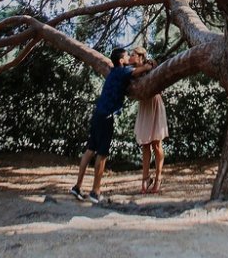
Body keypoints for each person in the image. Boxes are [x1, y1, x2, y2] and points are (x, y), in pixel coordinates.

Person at [70, 47, 147, 204]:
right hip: (106, 117)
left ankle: (77, 187)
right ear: (121, 61)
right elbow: (142, 70)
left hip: (98, 113)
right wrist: (149, 64)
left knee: (90, 150)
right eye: (127, 56)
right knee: (102, 153)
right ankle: (95, 191)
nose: (129, 58)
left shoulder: (114, 71)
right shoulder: (123, 71)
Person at [132, 47, 168, 194]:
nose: (130, 57)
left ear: (140, 56)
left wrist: (148, 66)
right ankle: (145, 179)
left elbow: (159, 76)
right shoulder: (132, 71)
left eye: (133, 55)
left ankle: (158, 178)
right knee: (145, 144)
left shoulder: (151, 64)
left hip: (154, 103)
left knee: (156, 144)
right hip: (144, 105)